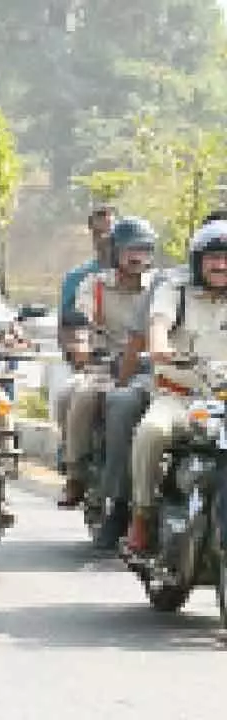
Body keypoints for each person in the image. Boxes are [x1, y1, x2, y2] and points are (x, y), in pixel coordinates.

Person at [126, 220, 227, 553]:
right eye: (213, 257)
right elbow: (159, 322)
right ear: (198, 260)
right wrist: (158, 345)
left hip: (223, 400)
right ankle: (141, 514)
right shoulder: (175, 285)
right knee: (151, 432)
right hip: (179, 395)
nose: (221, 264)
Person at [56, 216, 154, 507]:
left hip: (151, 366)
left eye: (144, 250)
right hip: (104, 363)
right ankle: (75, 473)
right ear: (115, 252)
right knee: (80, 395)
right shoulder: (95, 285)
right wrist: (81, 347)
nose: (137, 257)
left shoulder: (161, 287)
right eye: (130, 249)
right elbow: (80, 321)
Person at [59, 204, 117, 326]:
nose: (103, 238)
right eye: (98, 233)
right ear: (92, 235)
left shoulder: (133, 276)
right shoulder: (74, 278)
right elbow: (64, 321)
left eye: (109, 233)